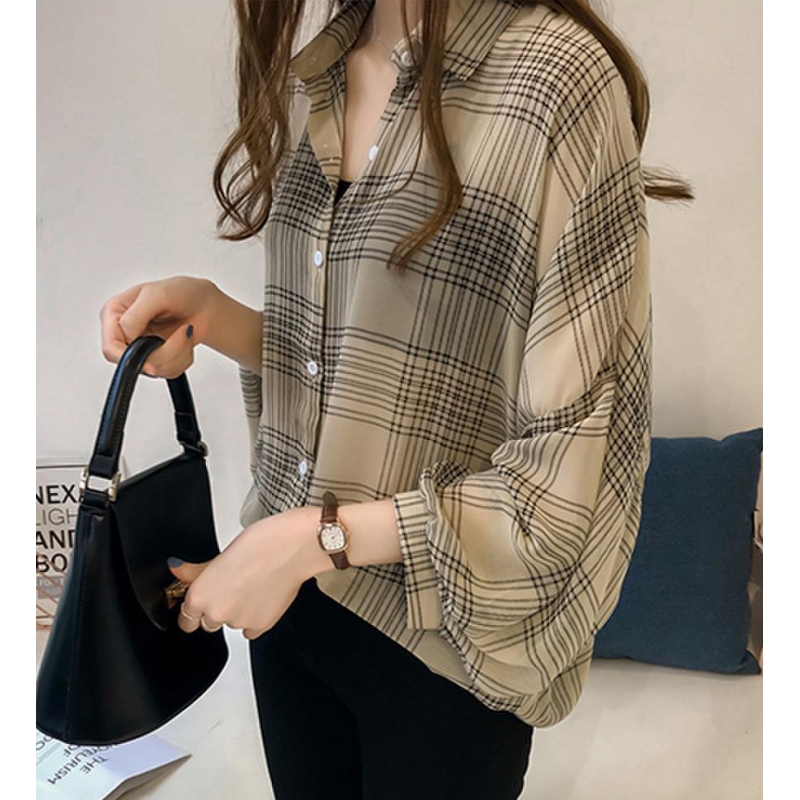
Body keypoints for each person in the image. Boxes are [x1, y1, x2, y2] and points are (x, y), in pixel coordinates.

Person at [99, 1, 692, 797]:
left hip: (442, 644)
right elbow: (369, 365)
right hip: (292, 614)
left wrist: (311, 539)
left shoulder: (553, 79)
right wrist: (218, 319)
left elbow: (566, 479)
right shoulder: (321, 72)